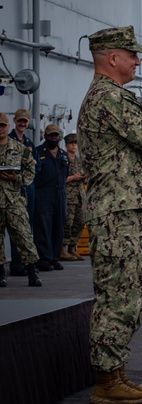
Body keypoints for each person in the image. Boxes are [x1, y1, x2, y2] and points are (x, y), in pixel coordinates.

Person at [79, 25, 142, 404]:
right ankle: (107, 381)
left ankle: (114, 374)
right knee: (119, 296)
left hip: (123, 210)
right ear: (112, 58)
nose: (138, 60)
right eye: (132, 55)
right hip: (120, 213)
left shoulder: (105, 98)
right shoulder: (112, 98)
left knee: (125, 293)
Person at [0, 112, 42, 287]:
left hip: (14, 200)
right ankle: (1, 273)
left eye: (2, 125)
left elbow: (30, 171)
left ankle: (32, 272)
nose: (0, 129)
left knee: (24, 236)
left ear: (8, 127)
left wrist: (15, 179)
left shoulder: (20, 149)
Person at [33, 124, 70, 271]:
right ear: (45, 136)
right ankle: (44, 259)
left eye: (56, 135)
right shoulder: (37, 152)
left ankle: (55, 257)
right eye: (51, 135)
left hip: (60, 193)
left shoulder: (63, 154)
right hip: (43, 193)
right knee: (43, 226)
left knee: (58, 226)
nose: (53, 138)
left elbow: (65, 174)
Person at [8, 108, 36, 276]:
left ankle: (28, 263)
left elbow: (35, 166)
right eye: (20, 121)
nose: (22, 124)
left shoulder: (28, 143)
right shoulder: (8, 141)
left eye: (25, 121)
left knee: (26, 228)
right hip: (10, 192)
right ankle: (17, 264)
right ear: (15, 122)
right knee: (14, 228)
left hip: (27, 189)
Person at [61, 132, 86, 261]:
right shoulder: (64, 159)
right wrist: (73, 178)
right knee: (67, 223)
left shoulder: (79, 160)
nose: (74, 146)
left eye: (76, 143)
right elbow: (59, 178)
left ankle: (72, 247)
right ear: (67, 145)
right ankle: (62, 248)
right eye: (72, 143)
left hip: (79, 195)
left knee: (80, 222)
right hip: (68, 195)